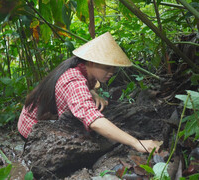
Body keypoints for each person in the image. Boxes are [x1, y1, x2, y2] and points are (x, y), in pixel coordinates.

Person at [18, 32, 162, 153]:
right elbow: (93, 120)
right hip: (31, 130)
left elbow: (86, 87)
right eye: (107, 68)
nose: (111, 72)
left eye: (113, 68)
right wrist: (136, 143)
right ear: (92, 62)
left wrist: (93, 93)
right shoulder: (73, 79)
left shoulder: (81, 68)